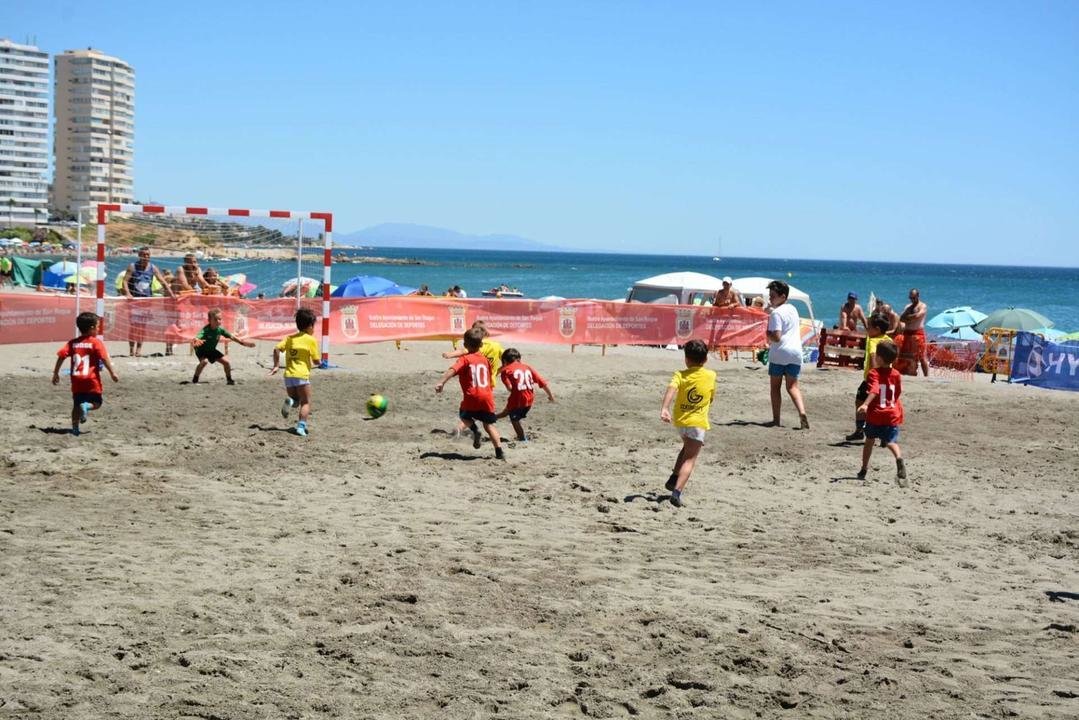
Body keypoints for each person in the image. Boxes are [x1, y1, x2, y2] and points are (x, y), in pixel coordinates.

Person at [659, 338, 716, 508]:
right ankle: (676, 492)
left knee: (687, 448)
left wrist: (665, 408)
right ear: (705, 359)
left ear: (686, 359)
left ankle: (673, 477)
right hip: (697, 422)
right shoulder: (711, 375)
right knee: (690, 458)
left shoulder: (680, 374)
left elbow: (672, 389)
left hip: (680, 420)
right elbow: (711, 397)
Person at [435, 327, 505, 460]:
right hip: (487, 396)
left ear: (465, 345)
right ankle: (499, 451)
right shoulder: (485, 360)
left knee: (464, 415)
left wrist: (441, 382)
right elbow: (490, 377)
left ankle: (474, 430)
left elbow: (452, 370)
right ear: (481, 345)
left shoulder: (465, 359)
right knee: (489, 425)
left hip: (472, 395)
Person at [51, 311, 119, 436]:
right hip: (91, 380)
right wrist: (112, 373)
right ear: (92, 328)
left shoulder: (72, 343)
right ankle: (87, 406)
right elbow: (104, 358)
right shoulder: (96, 342)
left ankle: (75, 428)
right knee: (97, 403)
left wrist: (56, 373)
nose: (99, 329)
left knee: (76, 405)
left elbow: (61, 356)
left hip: (77, 380)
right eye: (98, 326)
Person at [856, 340, 907, 485]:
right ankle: (898, 458)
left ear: (879, 358)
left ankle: (864, 468)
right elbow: (897, 393)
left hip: (876, 414)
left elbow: (874, 389)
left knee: (869, 441)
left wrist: (865, 404)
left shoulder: (873, 373)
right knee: (891, 442)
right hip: (892, 414)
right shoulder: (896, 374)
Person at [765, 280, 809, 429]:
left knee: (775, 387)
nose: (770, 298)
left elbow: (776, 337)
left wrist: (767, 333)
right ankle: (802, 412)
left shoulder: (776, 313)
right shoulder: (793, 309)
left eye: (772, 296)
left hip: (780, 352)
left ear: (782, 296)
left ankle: (776, 419)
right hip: (795, 353)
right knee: (792, 387)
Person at [270, 307, 320, 437]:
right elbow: (316, 361)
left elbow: (276, 349)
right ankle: (301, 427)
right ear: (309, 326)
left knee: (296, 400)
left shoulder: (289, 338)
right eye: (313, 326)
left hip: (288, 376)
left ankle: (291, 401)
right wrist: (322, 363)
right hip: (301, 375)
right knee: (306, 402)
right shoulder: (311, 340)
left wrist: (276, 365)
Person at [122, 247, 176, 357]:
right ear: (139, 255)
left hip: (147, 301)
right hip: (135, 301)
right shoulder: (132, 267)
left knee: (142, 326)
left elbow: (163, 282)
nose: (146, 257)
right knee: (133, 326)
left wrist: (171, 294)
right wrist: (128, 293)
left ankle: (139, 350)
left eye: (148, 255)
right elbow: (125, 281)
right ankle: (131, 350)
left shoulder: (153, 267)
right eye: (144, 254)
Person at [846, 315, 890, 441]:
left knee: (860, 402)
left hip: (872, 379)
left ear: (877, 329)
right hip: (886, 378)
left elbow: (873, 359)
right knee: (882, 406)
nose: (867, 329)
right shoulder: (888, 340)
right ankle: (885, 436)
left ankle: (860, 430)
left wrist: (874, 376)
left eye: (868, 327)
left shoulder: (873, 341)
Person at [497, 347, 555, 442]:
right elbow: (542, 383)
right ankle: (492, 418)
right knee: (506, 412)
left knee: (514, 419)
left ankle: (523, 439)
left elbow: (509, 388)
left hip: (517, 399)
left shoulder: (505, 371)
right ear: (519, 359)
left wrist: (516, 388)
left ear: (504, 361)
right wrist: (551, 396)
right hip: (530, 399)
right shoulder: (527, 367)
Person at [191, 308, 255, 385]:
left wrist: (244, 343)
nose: (218, 321)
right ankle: (195, 380)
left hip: (212, 350)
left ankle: (229, 380)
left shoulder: (220, 330)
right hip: (202, 350)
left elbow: (233, 337)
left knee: (226, 362)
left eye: (220, 319)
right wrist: (196, 339)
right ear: (209, 320)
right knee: (204, 362)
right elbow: (197, 337)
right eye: (215, 319)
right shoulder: (206, 330)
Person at [897, 288, 929, 377]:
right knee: (905, 355)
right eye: (911, 298)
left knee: (921, 356)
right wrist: (909, 317)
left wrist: (908, 318)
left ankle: (926, 376)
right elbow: (901, 318)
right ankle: (909, 372)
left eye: (914, 297)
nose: (912, 300)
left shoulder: (923, 306)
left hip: (917, 333)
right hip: (907, 333)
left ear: (918, 296)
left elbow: (918, 316)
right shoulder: (908, 307)